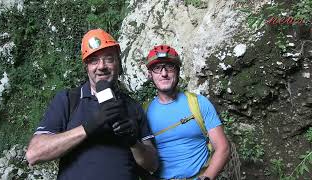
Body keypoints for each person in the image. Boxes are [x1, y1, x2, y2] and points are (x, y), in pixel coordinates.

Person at [25, 29, 158, 180]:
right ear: (86, 66)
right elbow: (34, 154)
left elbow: (152, 165)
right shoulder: (69, 100)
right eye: (94, 60)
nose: (101, 66)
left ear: (118, 63)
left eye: (109, 58)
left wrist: (134, 142)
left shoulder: (133, 106)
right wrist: (89, 127)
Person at [145, 45, 230, 180]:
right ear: (150, 74)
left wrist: (206, 178)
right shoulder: (144, 113)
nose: (164, 73)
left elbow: (223, 148)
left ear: (178, 71)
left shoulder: (199, 103)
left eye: (169, 67)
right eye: (157, 68)